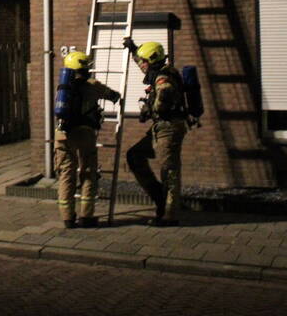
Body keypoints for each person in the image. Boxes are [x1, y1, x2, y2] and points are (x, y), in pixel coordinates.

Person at [123, 39, 190, 226]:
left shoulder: (163, 79)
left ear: (152, 60)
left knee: (169, 170)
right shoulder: (157, 71)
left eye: (144, 61)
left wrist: (150, 109)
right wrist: (133, 49)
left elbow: (163, 98)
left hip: (169, 128)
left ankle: (169, 215)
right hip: (160, 128)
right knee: (134, 156)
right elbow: (143, 62)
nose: (141, 65)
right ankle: (160, 199)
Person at [54, 51, 121, 229]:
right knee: (88, 172)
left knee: (66, 174)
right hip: (85, 133)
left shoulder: (63, 87)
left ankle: (68, 218)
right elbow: (113, 95)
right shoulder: (93, 85)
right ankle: (86, 216)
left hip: (63, 134)